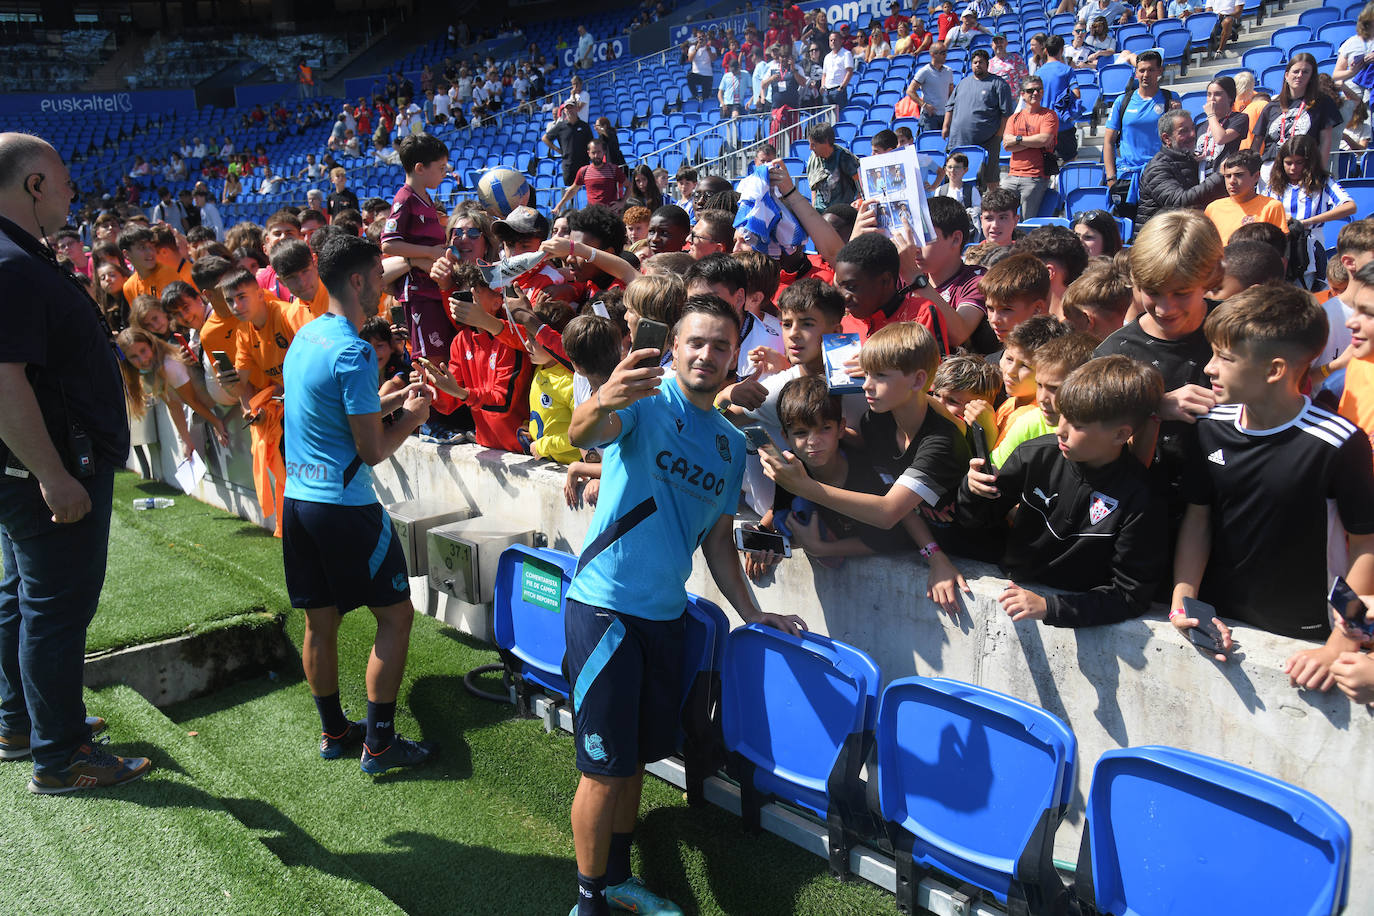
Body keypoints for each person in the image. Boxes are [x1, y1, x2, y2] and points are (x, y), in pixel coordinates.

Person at [562, 293, 803, 916]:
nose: (707, 354)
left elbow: (721, 546)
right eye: (696, 342)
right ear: (675, 347)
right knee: (602, 768)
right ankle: (589, 902)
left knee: (636, 757)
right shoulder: (644, 402)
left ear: (733, 359)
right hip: (605, 610)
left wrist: (757, 616)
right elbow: (582, 431)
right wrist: (606, 395)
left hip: (664, 616)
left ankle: (616, 879)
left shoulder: (728, 444)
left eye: (721, 346)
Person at [0, 134, 147, 793]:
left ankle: (22, 724)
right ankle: (62, 756)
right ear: (33, 185)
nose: (71, 193)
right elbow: (4, 382)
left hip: (36, 469)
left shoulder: (19, 258)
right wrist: (52, 475)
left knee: (24, 599)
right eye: (62, 182)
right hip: (48, 474)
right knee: (56, 609)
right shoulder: (12, 264)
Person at [279, 232, 436, 773]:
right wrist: (412, 419)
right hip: (345, 508)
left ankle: (334, 732)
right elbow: (371, 451)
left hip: (297, 502)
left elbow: (332, 416)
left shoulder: (309, 335)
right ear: (356, 279)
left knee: (319, 624)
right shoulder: (352, 349)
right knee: (395, 617)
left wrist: (390, 397)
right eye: (379, 276)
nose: (384, 288)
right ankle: (381, 744)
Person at [1172, 285, 1374, 683]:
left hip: (1304, 629)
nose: (1209, 367)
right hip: (1222, 621)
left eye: (1225, 358)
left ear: (1275, 369)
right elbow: (1198, 518)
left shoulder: (1337, 442)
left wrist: (1340, 641)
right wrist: (1185, 600)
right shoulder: (1209, 428)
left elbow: (1366, 544)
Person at [761, 321, 972, 615]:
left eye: (880, 375)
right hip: (927, 543)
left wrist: (806, 492)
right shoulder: (878, 422)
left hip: (972, 550)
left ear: (917, 380)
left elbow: (888, 512)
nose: (867, 385)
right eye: (867, 373)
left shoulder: (939, 444)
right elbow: (900, 498)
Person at [960, 354, 1166, 626]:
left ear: (1120, 435)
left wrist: (1051, 607)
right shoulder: (1036, 455)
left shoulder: (1140, 496)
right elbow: (975, 521)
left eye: (1078, 425)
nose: (1061, 430)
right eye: (1063, 417)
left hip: (1076, 612)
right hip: (1013, 590)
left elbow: (1130, 595)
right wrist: (972, 488)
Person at [380, 133, 451, 372]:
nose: (445, 172)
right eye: (440, 167)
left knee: (442, 354)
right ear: (420, 168)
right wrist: (428, 252)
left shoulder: (426, 199)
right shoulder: (404, 199)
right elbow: (388, 244)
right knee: (430, 359)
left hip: (432, 287)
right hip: (417, 292)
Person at [1264, 134, 1357, 287]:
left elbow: (1350, 206)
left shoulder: (1323, 182)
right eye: (1288, 163)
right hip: (1279, 248)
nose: (1293, 168)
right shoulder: (1272, 185)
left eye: (1299, 163)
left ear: (1309, 162)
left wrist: (1308, 222)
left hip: (1309, 248)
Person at [1104, 51, 1176, 220]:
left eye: (1151, 70)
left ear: (1160, 71)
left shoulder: (1170, 99)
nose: (1146, 75)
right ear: (1135, 72)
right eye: (1141, 70)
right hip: (1127, 177)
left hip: (1159, 175)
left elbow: (1179, 139)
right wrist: (1111, 178)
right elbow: (1108, 142)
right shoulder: (1122, 101)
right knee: (1129, 231)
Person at [1137, 109, 1226, 226]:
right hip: (1159, 239)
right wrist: (1219, 175)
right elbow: (1179, 202)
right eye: (1184, 131)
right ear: (1166, 138)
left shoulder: (1191, 159)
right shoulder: (1157, 168)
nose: (1193, 134)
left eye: (1192, 128)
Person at [944, 49, 1015, 192]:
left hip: (988, 140)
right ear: (971, 64)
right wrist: (946, 126)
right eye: (975, 62)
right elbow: (950, 106)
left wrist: (998, 136)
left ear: (987, 64)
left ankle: (994, 205)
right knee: (957, 175)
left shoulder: (998, 84)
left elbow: (1006, 114)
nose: (978, 65)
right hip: (960, 139)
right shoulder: (963, 83)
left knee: (990, 177)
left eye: (981, 62)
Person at [1254, 54, 1343, 164]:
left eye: (1305, 72)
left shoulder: (1322, 102)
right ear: (1286, 75)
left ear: (1311, 77)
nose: (1300, 75)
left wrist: (1320, 170)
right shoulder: (1272, 106)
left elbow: (1326, 140)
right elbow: (1257, 142)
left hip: (1304, 164)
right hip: (1272, 165)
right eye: (1296, 71)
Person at [1002, 76, 1059, 220]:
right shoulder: (1014, 118)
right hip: (1012, 175)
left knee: (1027, 220)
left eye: (1039, 90)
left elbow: (1044, 140)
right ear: (1022, 94)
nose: (1035, 93)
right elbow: (1007, 145)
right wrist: (1033, 141)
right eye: (1030, 90)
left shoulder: (1049, 116)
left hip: (1035, 177)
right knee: (1001, 214)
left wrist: (1018, 139)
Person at [1204, 151, 1287, 245]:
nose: (1232, 181)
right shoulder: (1213, 208)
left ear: (1256, 177)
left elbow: (1279, 248)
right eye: (1228, 176)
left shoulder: (1271, 207)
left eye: (1239, 175)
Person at [555, 139, 628, 216]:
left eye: (599, 152)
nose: (596, 156)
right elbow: (573, 190)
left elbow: (629, 185)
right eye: (593, 153)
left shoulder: (613, 169)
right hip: (593, 215)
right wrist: (559, 205)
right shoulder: (583, 171)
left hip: (611, 215)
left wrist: (622, 202)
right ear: (589, 153)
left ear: (604, 152)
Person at [1197, 77, 1249, 173]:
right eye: (1209, 95)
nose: (1212, 99)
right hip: (1202, 176)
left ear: (1230, 97)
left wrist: (1211, 115)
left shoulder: (1239, 118)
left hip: (1224, 176)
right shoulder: (1200, 126)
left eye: (1217, 94)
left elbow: (1221, 138)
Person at [805, 123, 861, 211]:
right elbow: (814, 186)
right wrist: (814, 207)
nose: (810, 148)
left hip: (840, 213)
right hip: (821, 211)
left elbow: (859, 182)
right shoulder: (814, 159)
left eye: (814, 145)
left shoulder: (844, 157)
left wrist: (857, 203)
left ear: (826, 142)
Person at [911, 42, 954, 133]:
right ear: (933, 54)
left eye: (946, 52)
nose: (945, 55)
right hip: (930, 117)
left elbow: (951, 92)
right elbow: (910, 91)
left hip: (945, 115)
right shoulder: (924, 71)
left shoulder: (949, 71)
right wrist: (924, 105)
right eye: (942, 53)